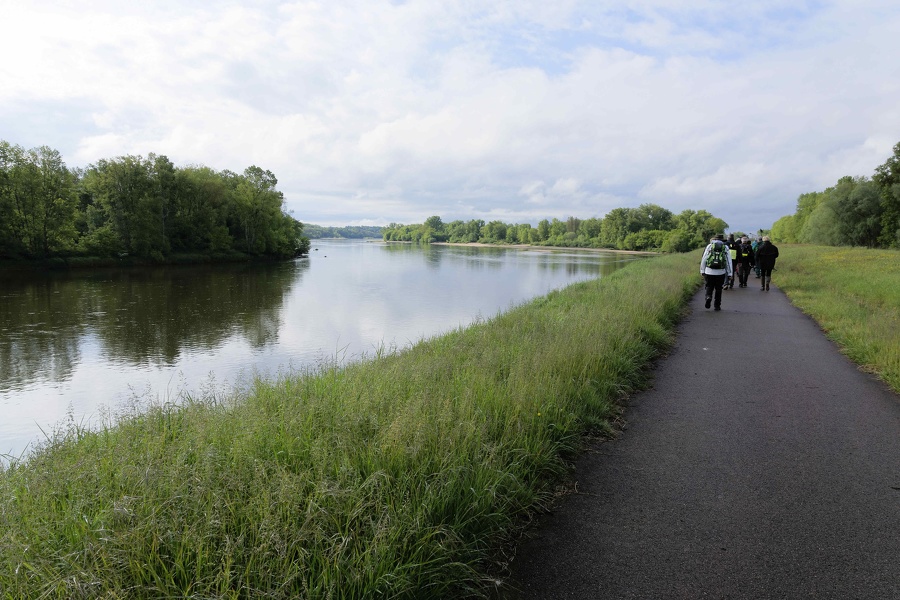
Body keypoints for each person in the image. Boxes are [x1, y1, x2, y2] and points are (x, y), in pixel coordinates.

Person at [700, 234, 733, 310]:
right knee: (718, 289)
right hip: (720, 272)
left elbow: (704, 258)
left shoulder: (709, 246)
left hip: (709, 271)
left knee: (709, 286)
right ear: (722, 240)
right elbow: (728, 262)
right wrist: (730, 273)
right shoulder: (725, 248)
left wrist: (702, 270)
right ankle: (717, 305)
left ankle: (708, 297)